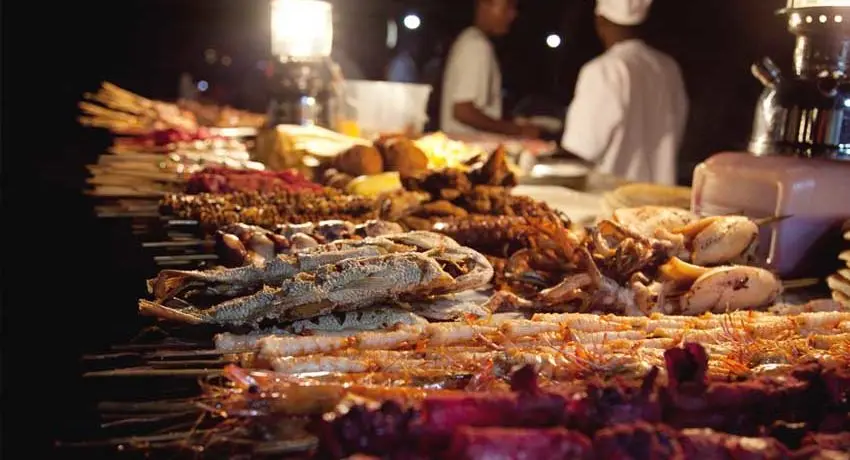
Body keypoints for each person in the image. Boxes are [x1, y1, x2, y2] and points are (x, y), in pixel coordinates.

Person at [560, 0, 688, 185]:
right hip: (660, 196)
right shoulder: (668, 67)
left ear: (600, 20)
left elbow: (582, 147)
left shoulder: (604, 70)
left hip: (611, 196)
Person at [440, 0, 539, 137]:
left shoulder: (469, 39)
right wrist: (517, 130)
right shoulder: (476, 45)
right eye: (508, 7)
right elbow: (463, 111)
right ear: (484, 4)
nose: (513, 15)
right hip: (469, 147)